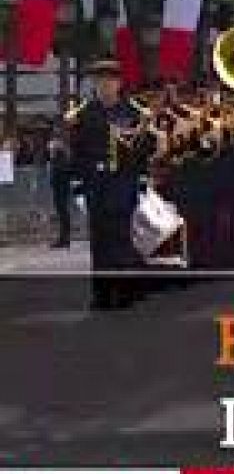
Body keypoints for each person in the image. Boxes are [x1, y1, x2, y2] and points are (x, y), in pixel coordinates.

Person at [65, 59, 153, 309]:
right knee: (99, 240)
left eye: (109, 80)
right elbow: (77, 151)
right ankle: (102, 294)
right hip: (96, 183)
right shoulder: (84, 114)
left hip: (123, 182)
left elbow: (142, 150)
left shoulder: (134, 113)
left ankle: (124, 292)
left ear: (119, 83)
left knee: (121, 238)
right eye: (100, 81)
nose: (104, 85)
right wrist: (77, 183)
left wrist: (142, 180)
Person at [47, 130, 73, 248]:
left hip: (61, 187)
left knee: (63, 211)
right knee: (61, 211)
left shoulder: (61, 159)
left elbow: (62, 172)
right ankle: (64, 237)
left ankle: (64, 237)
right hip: (59, 186)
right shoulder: (58, 158)